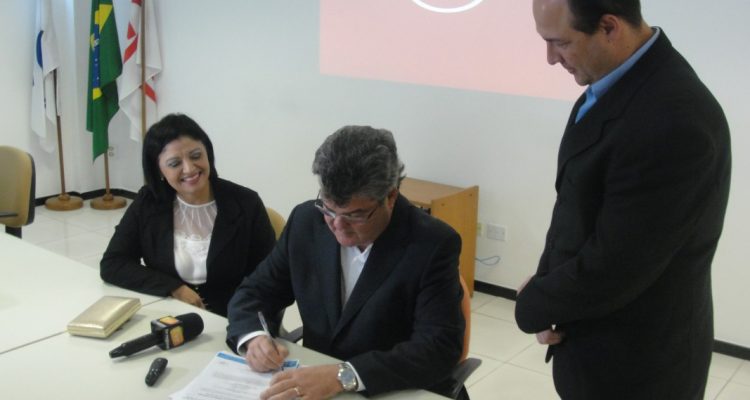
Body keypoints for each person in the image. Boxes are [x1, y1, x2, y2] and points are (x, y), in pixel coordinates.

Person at [515, 1, 731, 399]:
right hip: (595, 348)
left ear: (610, 27)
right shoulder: (613, 86)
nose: (550, 59)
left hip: (640, 369)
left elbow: (617, 265)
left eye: (561, 43)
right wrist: (549, 286)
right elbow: (575, 210)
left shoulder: (673, 117)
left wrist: (535, 303)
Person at [226, 126, 465, 399]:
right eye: (328, 209)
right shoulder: (306, 222)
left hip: (393, 389)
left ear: (390, 197)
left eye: (355, 215)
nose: (338, 226)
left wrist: (344, 375)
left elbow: (437, 348)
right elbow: (255, 292)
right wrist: (253, 337)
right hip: (317, 384)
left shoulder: (432, 243)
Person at [100, 113, 275, 317]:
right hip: (170, 315)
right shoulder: (148, 202)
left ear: (208, 153)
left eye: (196, 155)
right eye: (175, 164)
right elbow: (113, 264)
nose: (190, 169)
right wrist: (174, 288)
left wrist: (247, 321)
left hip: (234, 318)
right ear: (159, 170)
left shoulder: (246, 202)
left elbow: (270, 277)